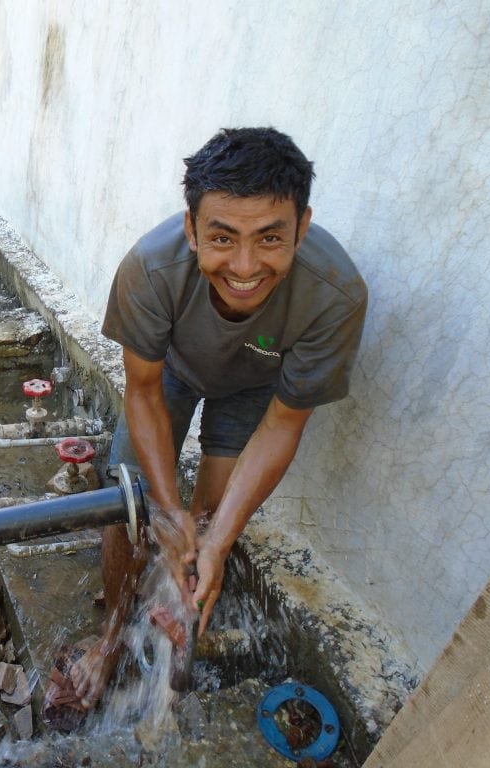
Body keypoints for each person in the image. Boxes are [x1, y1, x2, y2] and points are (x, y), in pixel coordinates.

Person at [68, 127, 368, 710]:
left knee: (206, 528)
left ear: (303, 229)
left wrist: (215, 539)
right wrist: (164, 504)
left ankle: (174, 629)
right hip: (171, 371)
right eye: (223, 238)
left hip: (255, 384)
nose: (247, 265)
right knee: (132, 503)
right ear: (191, 229)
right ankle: (108, 641)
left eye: (272, 238)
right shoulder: (151, 270)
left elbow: (283, 423)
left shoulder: (335, 296)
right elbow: (145, 390)